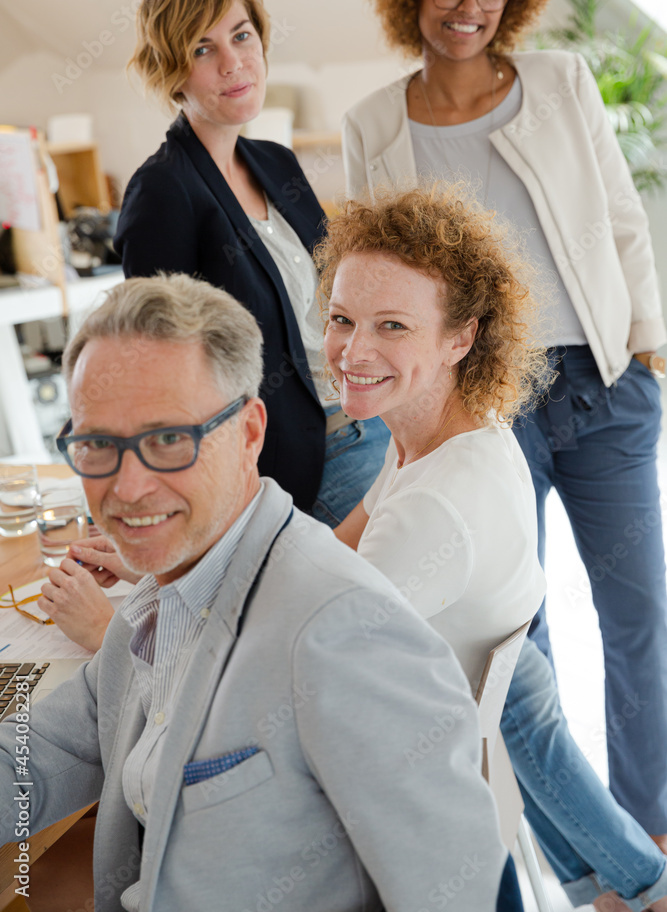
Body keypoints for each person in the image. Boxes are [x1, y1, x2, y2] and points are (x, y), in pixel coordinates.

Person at [0, 272, 506, 912]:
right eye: (98, 444)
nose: (126, 488)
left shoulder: (346, 632)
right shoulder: (158, 603)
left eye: (167, 440)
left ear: (248, 433)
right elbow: (37, 755)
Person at [342, 0, 667, 857]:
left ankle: (646, 839)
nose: (468, 7)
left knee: (637, 618)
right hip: (485, 404)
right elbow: (371, 271)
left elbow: (619, 219)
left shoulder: (559, 83)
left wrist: (645, 346)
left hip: (600, 388)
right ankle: (579, 854)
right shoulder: (375, 123)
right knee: (517, 639)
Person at [315, 185, 667, 912]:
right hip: (486, 694)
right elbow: (342, 543)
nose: (353, 350)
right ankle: (635, 889)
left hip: (420, 781)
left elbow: (312, 658)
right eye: (341, 319)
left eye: (391, 326)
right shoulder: (448, 431)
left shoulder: (434, 506)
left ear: (460, 337)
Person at [114, 0, 388, 522]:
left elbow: (337, 294)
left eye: (241, 36)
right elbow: (163, 365)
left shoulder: (274, 162)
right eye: (201, 48)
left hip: (371, 418)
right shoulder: (164, 189)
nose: (234, 62)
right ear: (173, 70)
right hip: (300, 463)